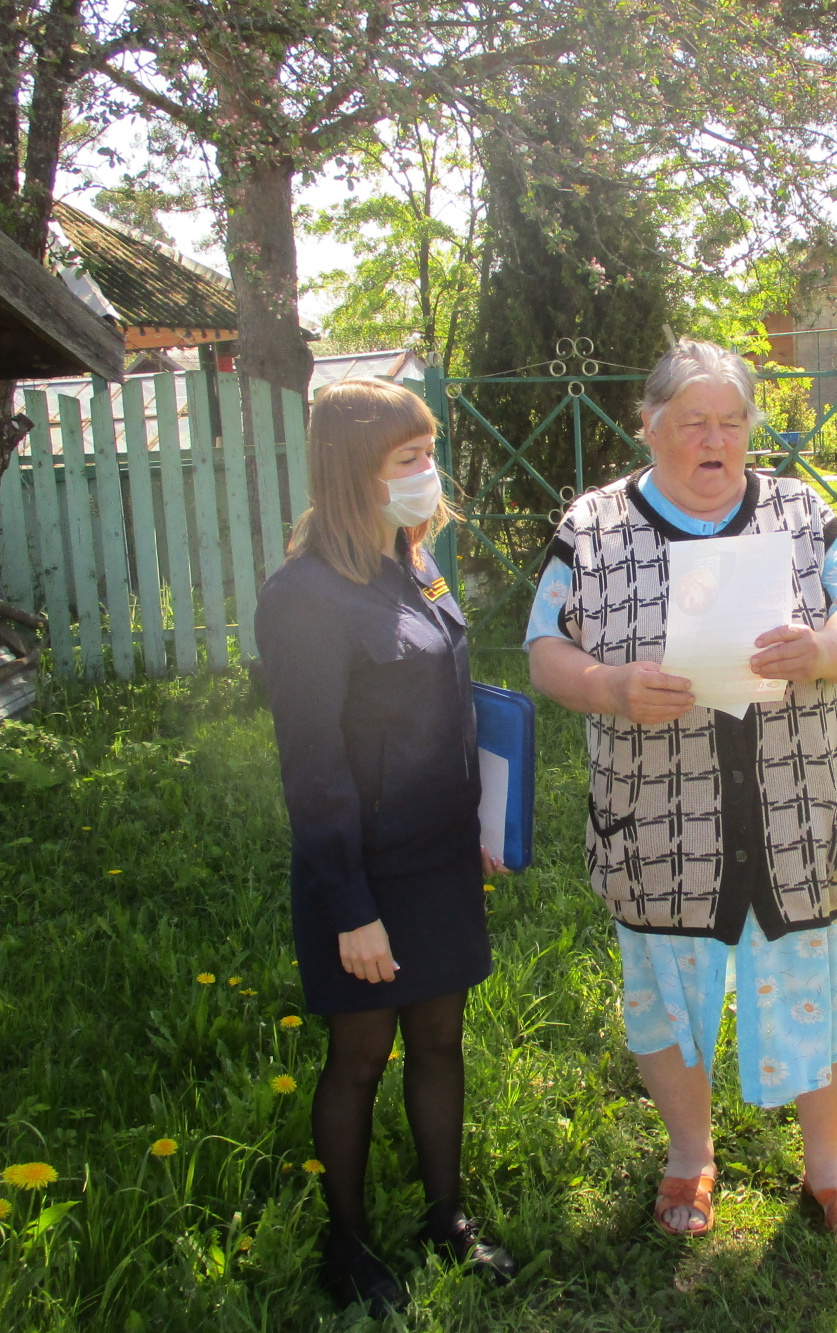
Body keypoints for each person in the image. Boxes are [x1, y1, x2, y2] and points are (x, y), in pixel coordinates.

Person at [526, 340, 837, 1247]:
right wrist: (610, 687)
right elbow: (545, 648)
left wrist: (823, 648)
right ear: (648, 426)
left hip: (800, 809)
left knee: (823, 980)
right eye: (693, 422)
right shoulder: (593, 526)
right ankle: (689, 1154)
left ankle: (828, 1164)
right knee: (664, 993)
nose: (715, 439)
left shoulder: (801, 511)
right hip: (659, 819)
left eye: (732, 420)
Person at [256, 378, 517, 1316]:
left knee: (441, 1042)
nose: (427, 472)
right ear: (351, 470)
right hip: (361, 871)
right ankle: (349, 1243)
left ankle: (446, 1219)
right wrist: (350, 905)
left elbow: (452, 695)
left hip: (441, 856)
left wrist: (480, 824)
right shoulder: (305, 598)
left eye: (426, 452)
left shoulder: (416, 561)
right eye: (407, 458)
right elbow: (313, 767)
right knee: (360, 1057)